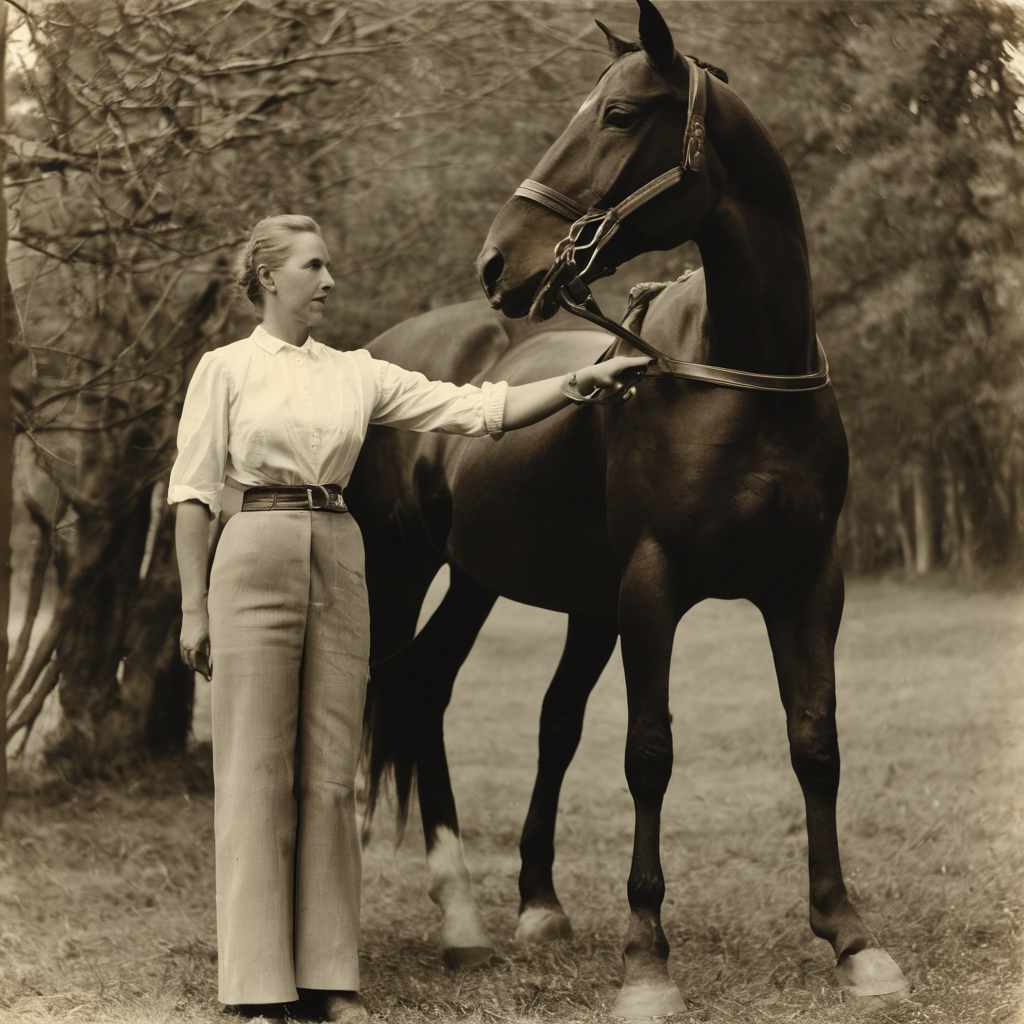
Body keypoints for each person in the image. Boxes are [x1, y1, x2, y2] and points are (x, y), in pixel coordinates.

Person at [169, 214, 648, 1023]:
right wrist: (192, 606)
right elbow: (190, 493)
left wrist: (574, 385)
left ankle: (328, 980)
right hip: (252, 546)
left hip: (339, 549)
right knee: (254, 772)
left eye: (329, 266)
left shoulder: (356, 373)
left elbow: (476, 409)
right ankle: (254, 992)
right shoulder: (224, 371)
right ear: (269, 278)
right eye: (314, 267)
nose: (328, 281)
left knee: (329, 775)